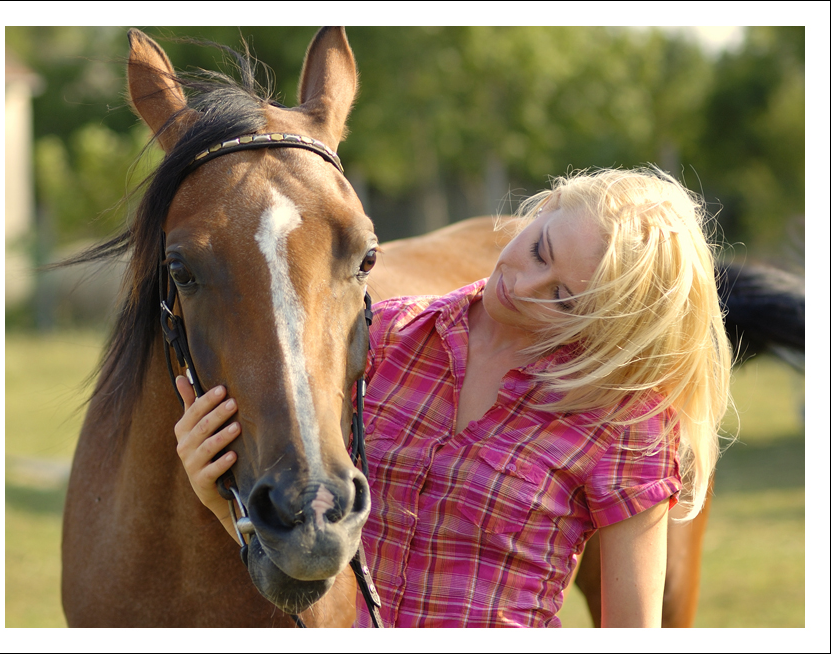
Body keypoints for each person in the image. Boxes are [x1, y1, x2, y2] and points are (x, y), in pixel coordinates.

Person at [174, 167, 732, 628]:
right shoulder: (383, 338)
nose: (524, 285)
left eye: (562, 297)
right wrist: (218, 497)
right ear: (544, 207)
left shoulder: (625, 421)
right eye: (539, 251)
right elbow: (316, 562)